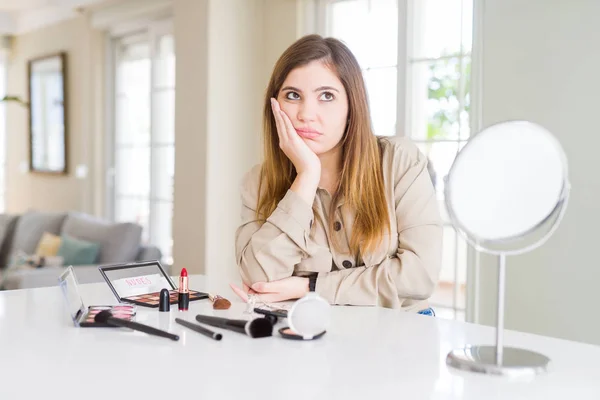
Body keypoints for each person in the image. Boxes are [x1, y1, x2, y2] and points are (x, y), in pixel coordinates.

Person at [232, 34, 443, 312]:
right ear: (275, 105)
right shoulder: (258, 182)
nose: (306, 114)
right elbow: (259, 279)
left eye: (327, 96)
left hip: (398, 337)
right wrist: (306, 177)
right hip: (308, 338)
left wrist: (312, 286)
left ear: (351, 107)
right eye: (293, 95)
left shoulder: (399, 161)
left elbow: (419, 277)